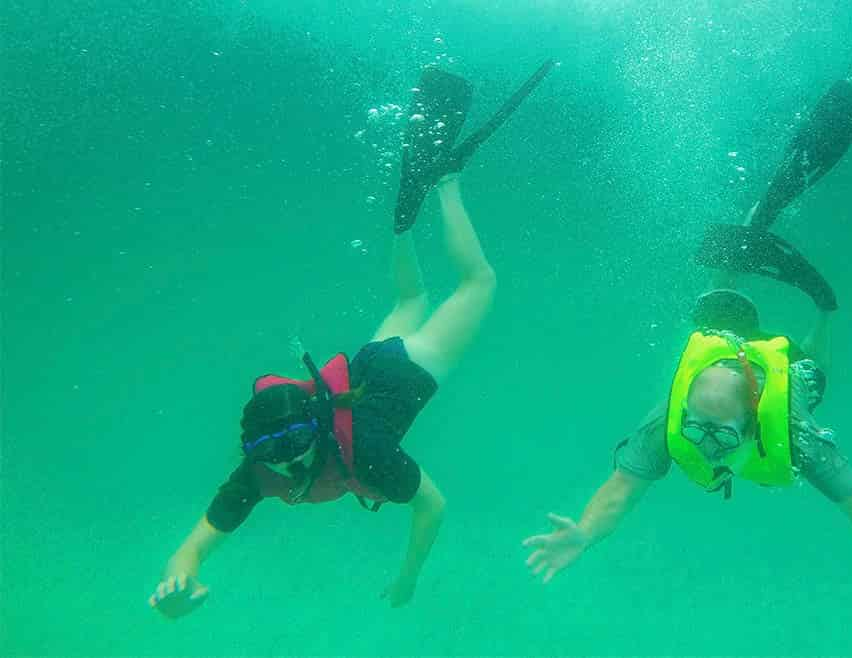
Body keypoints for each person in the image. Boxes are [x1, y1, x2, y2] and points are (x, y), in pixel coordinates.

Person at [522, 81, 852, 658]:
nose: (702, 445)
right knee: (712, 309)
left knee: (813, 377)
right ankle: (750, 234)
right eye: (699, 427)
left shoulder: (793, 429)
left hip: (782, 377)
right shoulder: (676, 421)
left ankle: (819, 306)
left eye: (719, 434)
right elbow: (622, 489)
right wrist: (585, 533)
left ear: (750, 423)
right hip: (720, 344)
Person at [148, 61, 552, 619]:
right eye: (272, 452)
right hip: (368, 364)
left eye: (290, 448)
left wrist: (408, 579)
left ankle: (447, 182)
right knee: (412, 301)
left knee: (479, 283)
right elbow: (191, 547)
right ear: (255, 450)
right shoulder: (261, 470)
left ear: (313, 425)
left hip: (407, 369)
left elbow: (431, 507)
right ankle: (404, 220)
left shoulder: (366, 454)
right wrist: (179, 581)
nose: (287, 465)